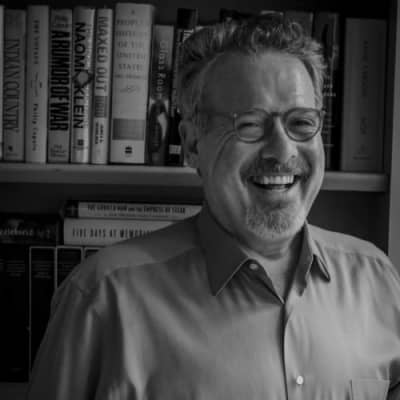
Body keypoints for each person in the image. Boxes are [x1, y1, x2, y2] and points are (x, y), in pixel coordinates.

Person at [27, 14, 400, 399]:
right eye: (250, 125)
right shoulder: (102, 299)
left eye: (302, 123)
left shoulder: (377, 281)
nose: (282, 151)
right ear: (192, 145)